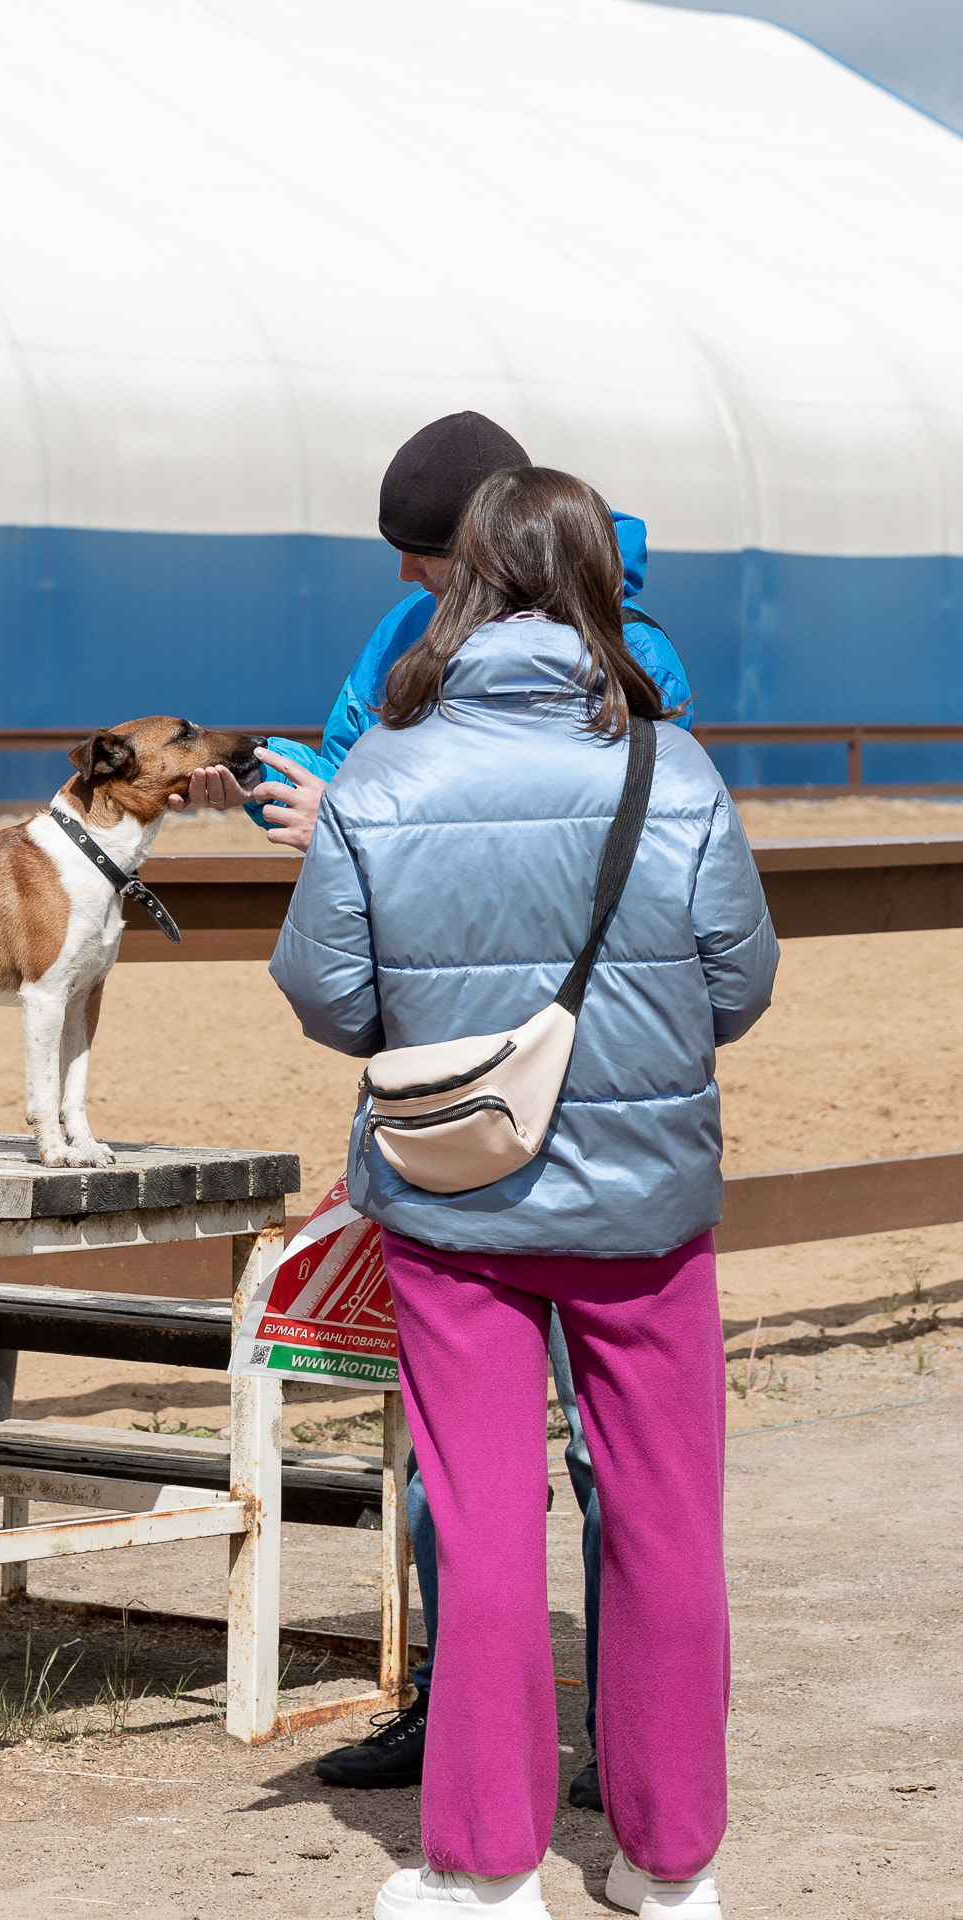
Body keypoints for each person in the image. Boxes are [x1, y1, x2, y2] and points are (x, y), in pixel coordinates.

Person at [268, 466, 778, 1917]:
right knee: (668, 1519)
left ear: (464, 581)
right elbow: (740, 986)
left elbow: (330, 999)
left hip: (457, 1203)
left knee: (483, 1516)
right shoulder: (674, 770)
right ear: (596, 582)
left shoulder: (383, 774)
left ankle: (484, 1875)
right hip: (646, 1213)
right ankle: (672, 1870)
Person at [174, 414, 694, 1807]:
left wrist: (358, 823)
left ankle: (612, 1740)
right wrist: (310, 799)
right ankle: (465, 1710)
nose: (408, 585)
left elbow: (531, 845)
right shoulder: (406, 642)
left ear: (485, 543)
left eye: (424, 559)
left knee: (595, 1451)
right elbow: (375, 787)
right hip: (468, 1097)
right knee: (459, 1456)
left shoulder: (637, 664)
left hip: (549, 1095)